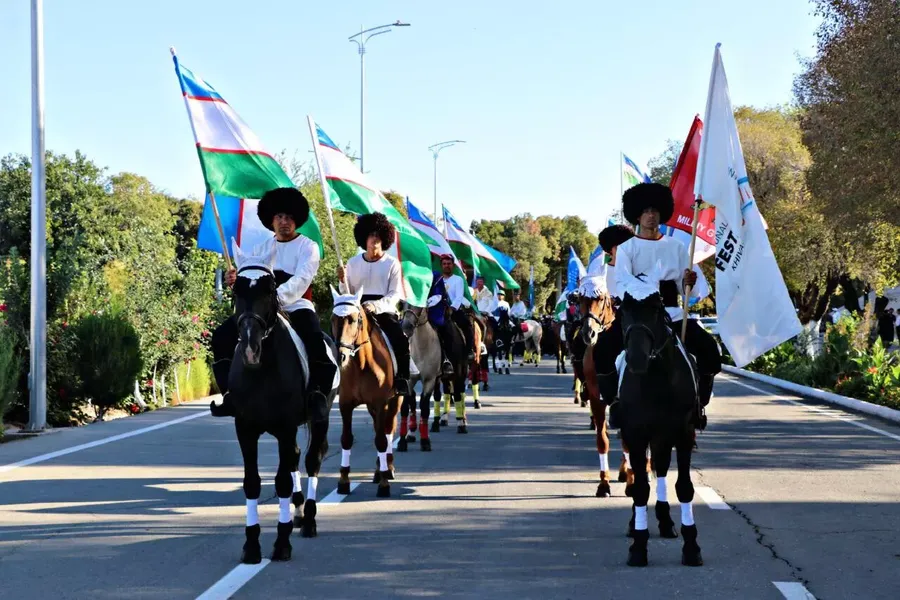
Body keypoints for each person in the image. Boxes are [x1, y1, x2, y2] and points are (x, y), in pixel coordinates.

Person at [210, 187, 334, 424]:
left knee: (315, 341)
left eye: (288, 217)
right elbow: (250, 280)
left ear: (296, 220)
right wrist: (234, 282)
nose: (283, 222)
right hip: (261, 309)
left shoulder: (309, 247)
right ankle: (229, 395)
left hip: (297, 305)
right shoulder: (261, 249)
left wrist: (275, 300)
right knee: (221, 337)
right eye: (279, 217)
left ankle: (318, 394)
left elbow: (302, 280)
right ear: (271, 220)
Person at [614, 183, 721, 409]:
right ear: (637, 215)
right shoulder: (626, 248)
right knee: (603, 350)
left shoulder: (677, 248)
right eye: (645, 211)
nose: (650, 216)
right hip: (637, 317)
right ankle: (616, 404)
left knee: (710, 349)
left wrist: (687, 283)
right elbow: (622, 282)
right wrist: (648, 293)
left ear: (662, 213)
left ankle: (699, 403)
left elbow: (688, 291)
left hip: (673, 315)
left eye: (654, 210)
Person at [337, 212, 411, 396]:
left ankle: (402, 377)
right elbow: (346, 292)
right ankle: (336, 376)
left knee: (400, 339)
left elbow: (395, 294)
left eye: (378, 236)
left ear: (384, 239)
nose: (374, 240)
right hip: (356, 311)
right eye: (371, 235)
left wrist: (375, 306)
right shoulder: (353, 263)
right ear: (364, 238)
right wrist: (341, 280)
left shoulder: (393, 264)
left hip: (383, 311)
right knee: (338, 335)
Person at [582, 224, 634, 406]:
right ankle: (603, 392)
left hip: (637, 319)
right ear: (609, 250)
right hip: (611, 324)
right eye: (619, 246)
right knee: (595, 348)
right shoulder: (600, 273)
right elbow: (589, 293)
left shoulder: (636, 270)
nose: (624, 250)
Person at [437, 254, 476, 361]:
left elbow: (459, 297)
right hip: (439, 312)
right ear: (441, 266)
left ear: (453, 265)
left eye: (449, 264)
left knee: (467, 325)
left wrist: (452, 308)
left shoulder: (458, 279)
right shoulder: (437, 279)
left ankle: (469, 350)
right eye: (444, 264)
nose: (446, 266)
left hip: (453, 311)